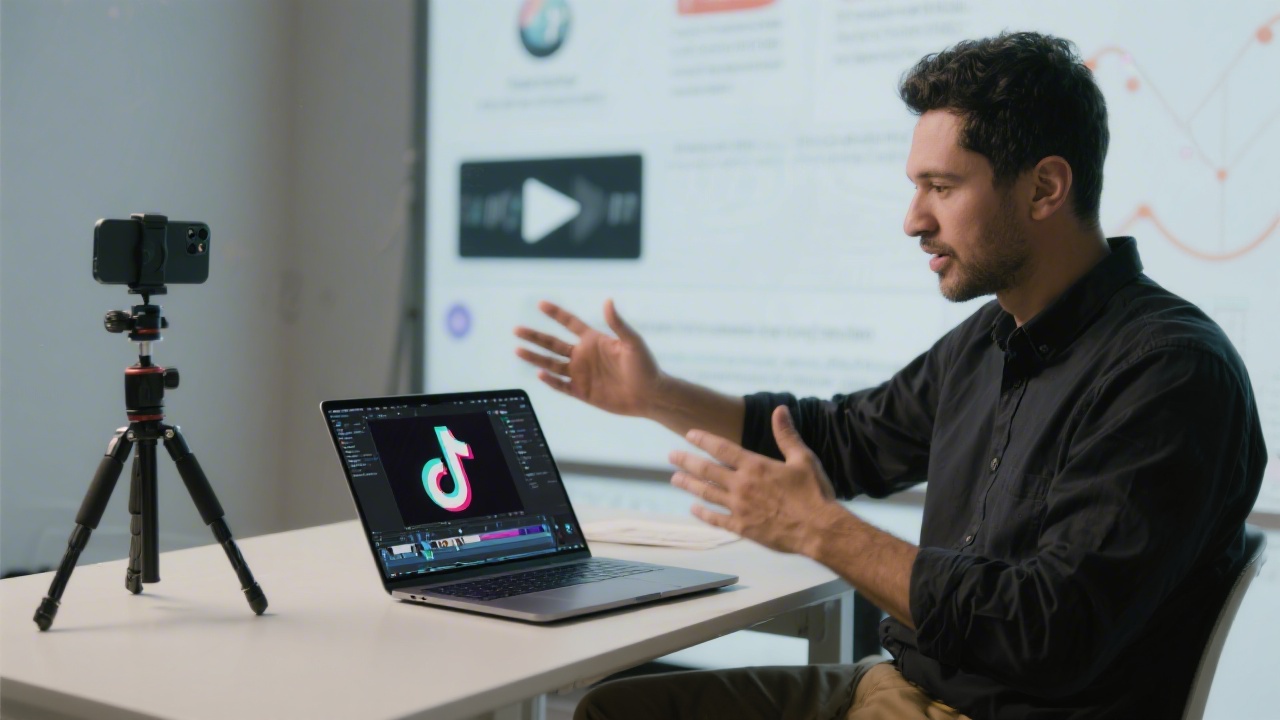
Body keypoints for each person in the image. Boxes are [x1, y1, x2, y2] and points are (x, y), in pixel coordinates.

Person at [514, 32, 1265, 720]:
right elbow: (837, 441)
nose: (913, 219)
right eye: (916, 186)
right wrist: (654, 396)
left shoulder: (1169, 375)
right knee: (613, 711)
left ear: (1044, 190)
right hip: (901, 686)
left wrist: (821, 530)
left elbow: (1050, 633)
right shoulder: (990, 338)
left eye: (942, 187)